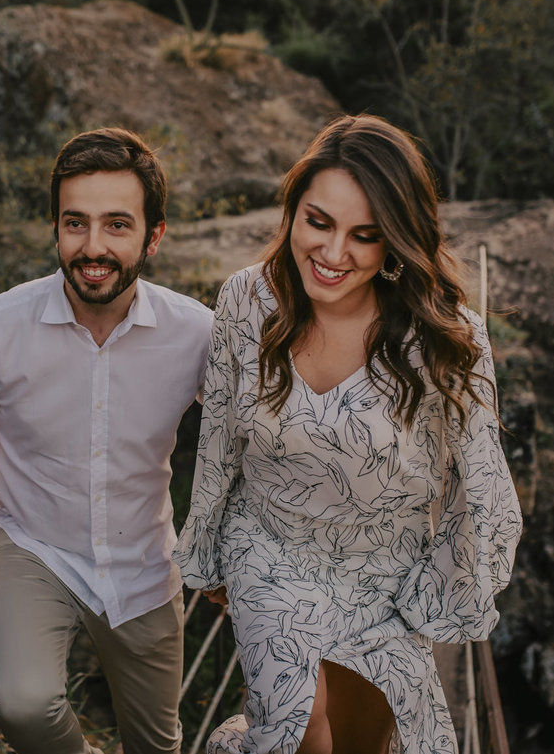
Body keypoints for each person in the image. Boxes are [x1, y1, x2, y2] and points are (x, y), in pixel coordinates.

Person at [172, 114, 523, 754]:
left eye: (365, 235)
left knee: (363, 745)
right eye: (319, 222)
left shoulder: (449, 340)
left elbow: (485, 487)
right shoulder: (246, 302)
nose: (334, 255)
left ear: (396, 241)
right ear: (293, 211)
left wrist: (437, 588)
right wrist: (210, 555)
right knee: (301, 731)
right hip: (269, 553)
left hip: (385, 580)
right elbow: (219, 437)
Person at [0, 127, 213, 754]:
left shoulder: (198, 333)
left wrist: (228, 555)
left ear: (153, 236)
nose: (92, 247)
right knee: (22, 706)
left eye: (117, 225)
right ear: (55, 228)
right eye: (76, 223)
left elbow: (248, 447)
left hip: (148, 565)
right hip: (32, 547)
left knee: (158, 745)